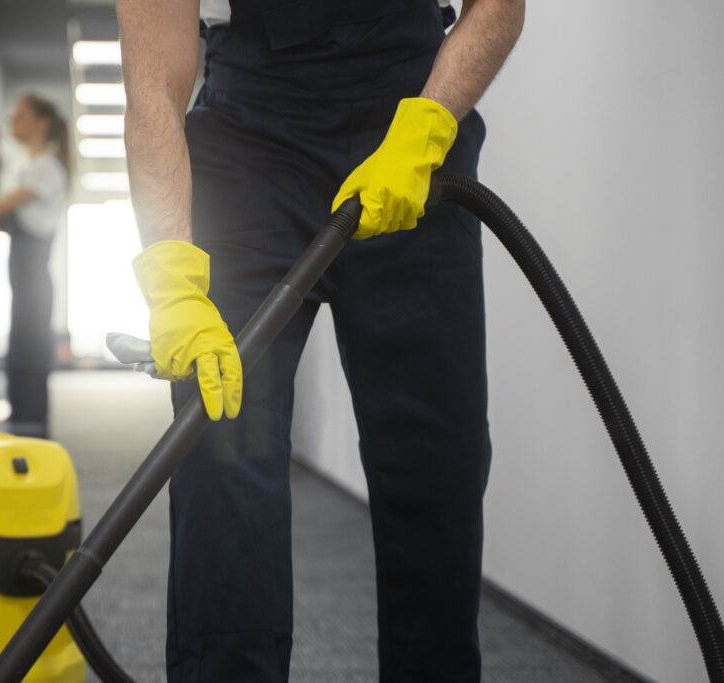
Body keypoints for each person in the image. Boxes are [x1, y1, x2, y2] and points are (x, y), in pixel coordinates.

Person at [117, 0, 525, 680]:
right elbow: (153, 84)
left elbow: (500, 8)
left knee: (435, 461)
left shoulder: (418, 128)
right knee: (223, 442)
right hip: (248, 139)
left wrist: (427, 127)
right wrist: (171, 277)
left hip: (409, 120)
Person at [0, 95, 70, 439]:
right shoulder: (29, 166)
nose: (13, 121)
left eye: (21, 116)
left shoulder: (45, 167)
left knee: (28, 360)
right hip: (23, 282)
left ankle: (32, 437)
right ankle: (23, 432)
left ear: (41, 123)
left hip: (33, 283)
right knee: (19, 358)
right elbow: (4, 217)